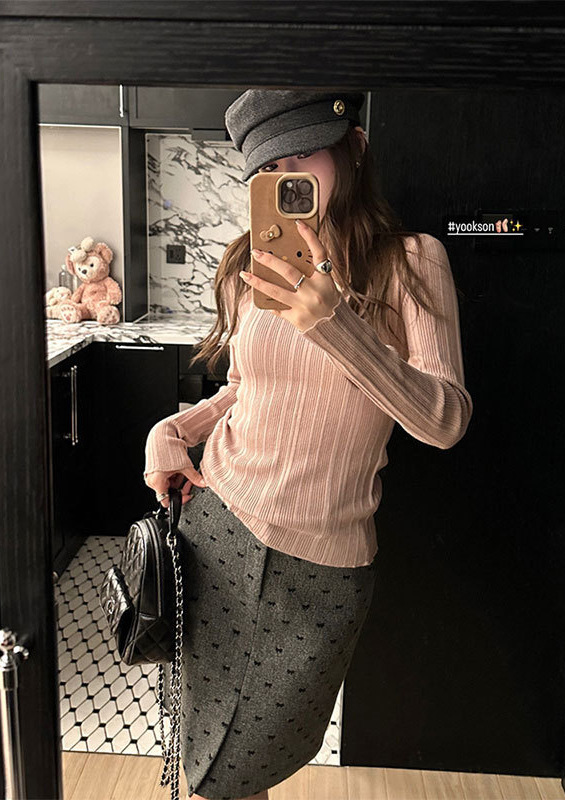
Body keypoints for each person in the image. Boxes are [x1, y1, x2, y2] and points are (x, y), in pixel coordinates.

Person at [144, 90, 473, 800]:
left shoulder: (412, 262)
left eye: (303, 154)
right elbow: (243, 385)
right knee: (209, 758)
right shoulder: (250, 261)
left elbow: (445, 421)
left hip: (323, 562)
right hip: (219, 525)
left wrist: (337, 326)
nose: (289, 176)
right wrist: (171, 431)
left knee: (250, 759)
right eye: (270, 168)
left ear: (352, 148)